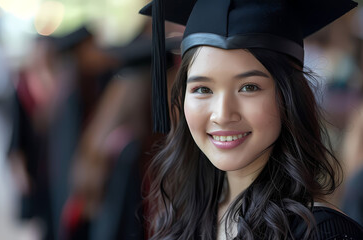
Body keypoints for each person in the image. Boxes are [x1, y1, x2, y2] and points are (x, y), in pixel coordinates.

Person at [139, 0, 363, 239]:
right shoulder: (183, 219)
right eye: (202, 89)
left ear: (288, 98)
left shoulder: (322, 232)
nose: (222, 115)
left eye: (249, 87)